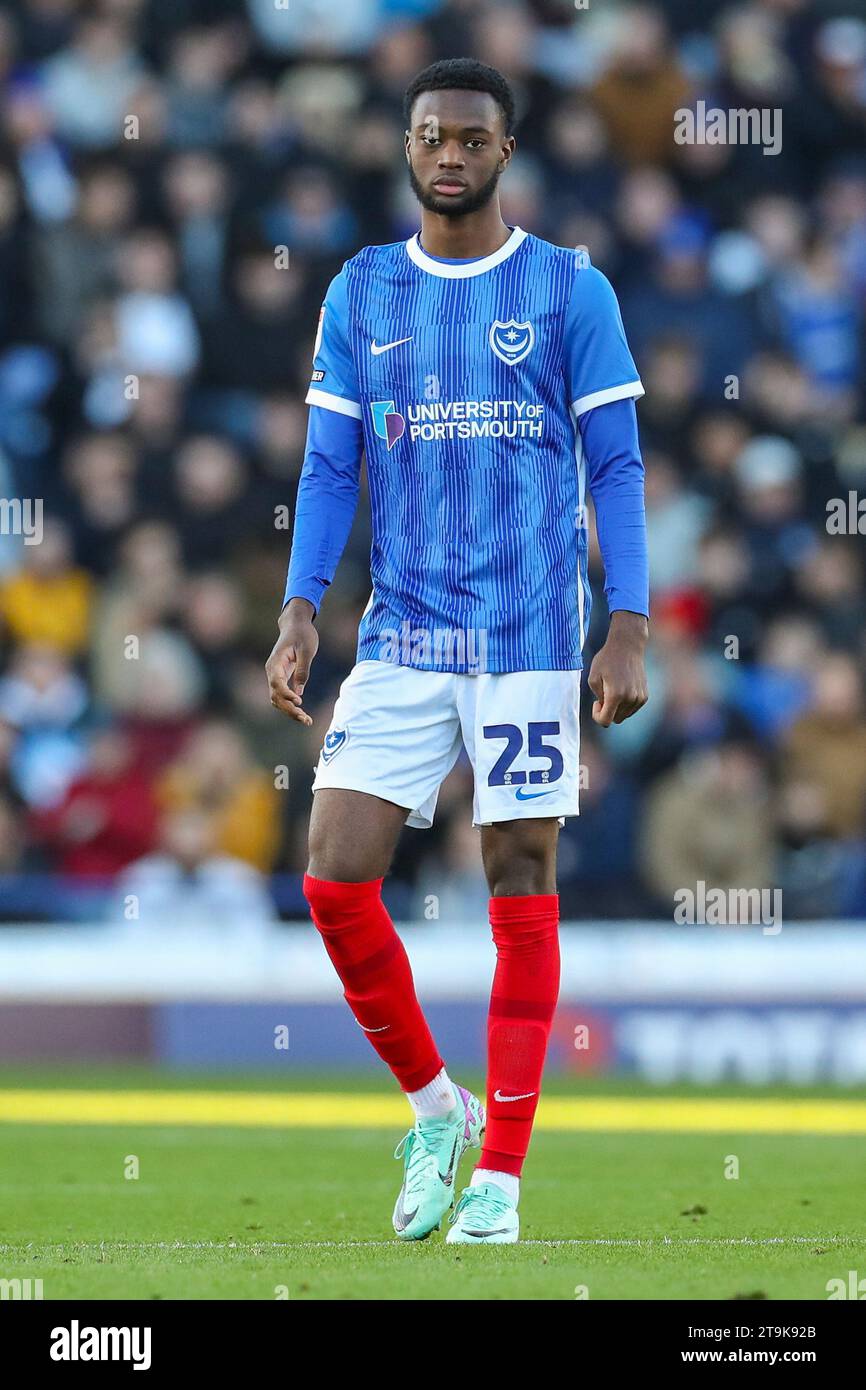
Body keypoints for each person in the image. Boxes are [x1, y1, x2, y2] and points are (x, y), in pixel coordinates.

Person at [266, 58, 650, 1245]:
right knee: (332, 873)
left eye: (470, 138)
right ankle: (437, 1109)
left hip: (531, 632)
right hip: (402, 629)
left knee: (516, 879)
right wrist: (297, 605)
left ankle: (502, 1178)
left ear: (504, 151)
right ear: (404, 145)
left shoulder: (567, 289)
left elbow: (616, 466)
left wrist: (625, 617)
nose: (447, 153)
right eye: (428, 134)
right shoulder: (361, 291)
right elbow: (332, 466)